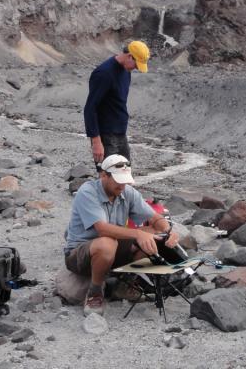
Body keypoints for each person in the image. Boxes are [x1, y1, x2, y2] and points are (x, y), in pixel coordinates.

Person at [64, 154, 180, 316]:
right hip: (80, 254)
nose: (123, 185)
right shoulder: (88, 192)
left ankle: (126, 285)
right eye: (118, 181)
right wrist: (138, 234)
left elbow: (155, 218)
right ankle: (95, 292)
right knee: (107, 243)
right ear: (103, 175)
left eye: (125, 180)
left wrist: (168, 231)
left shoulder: (127, 192)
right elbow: (102, 229)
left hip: (114, 248)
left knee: (154, 234)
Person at [84, 40, 150, 170]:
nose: (136, 68)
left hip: (120, 132)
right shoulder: (104, 73)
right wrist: (96, 142)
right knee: (108, 177)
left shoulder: (126, 71)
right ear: (130, 56)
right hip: (106, 135)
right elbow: (90, 109)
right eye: (136, 65)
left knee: (124, 175)